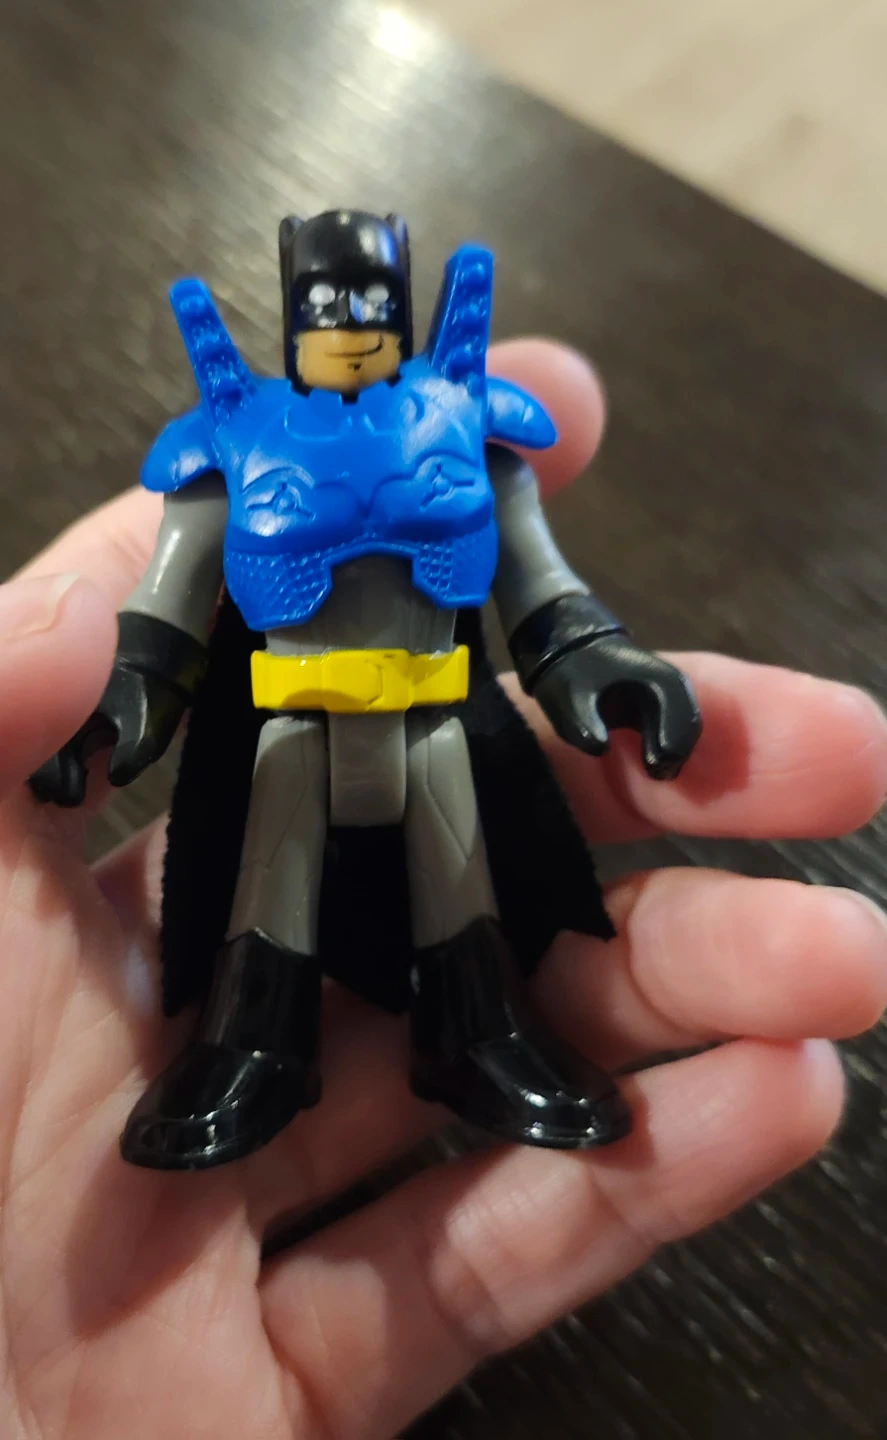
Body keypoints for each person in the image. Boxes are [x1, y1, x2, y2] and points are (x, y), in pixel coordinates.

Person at [1, 338, 885, 1438]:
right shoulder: (231, 435)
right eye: (326, 296)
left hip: (433, 711)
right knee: (269, 857)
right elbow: (168, 594)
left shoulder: (463, 424)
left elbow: (536, 576)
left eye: (367, 296)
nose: (348, 319)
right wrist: (127, 684)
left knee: (459, 854)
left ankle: (476, 1030)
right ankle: (249, 1049)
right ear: (294, 303)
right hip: (290, 716)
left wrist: (593, 656)